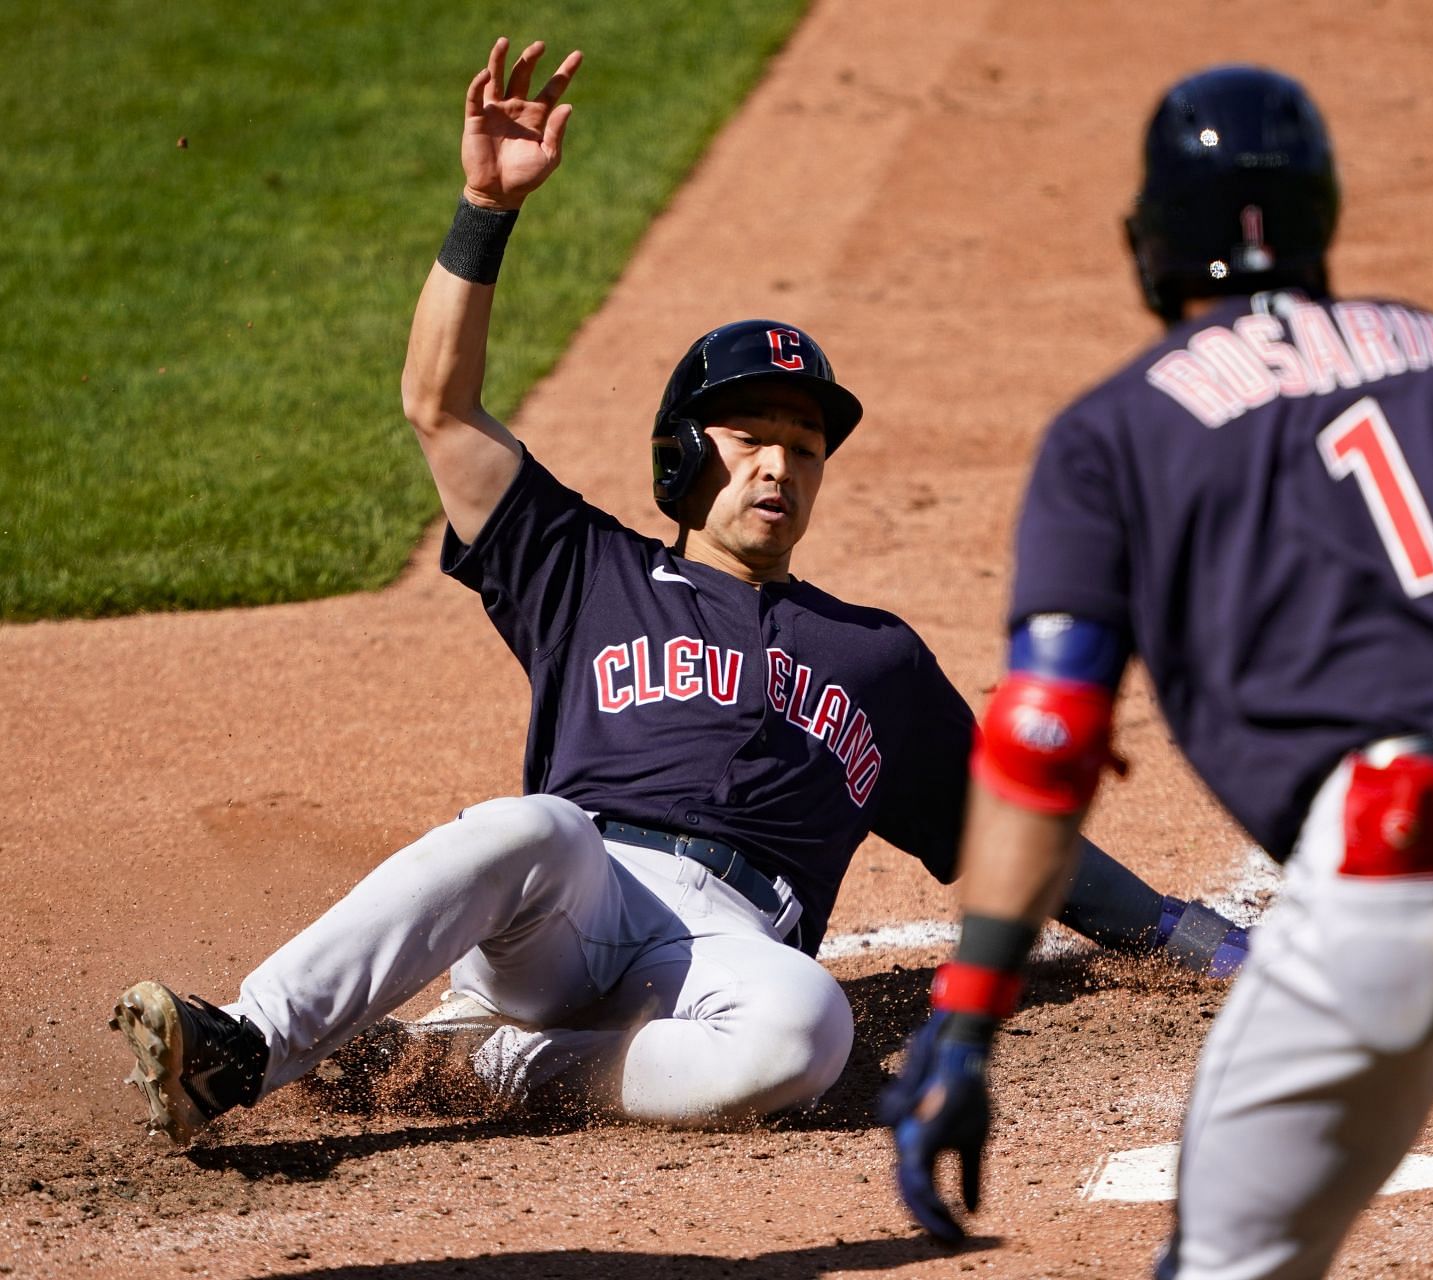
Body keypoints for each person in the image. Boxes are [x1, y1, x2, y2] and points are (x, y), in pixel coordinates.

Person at [109, 39, 1248, 1147]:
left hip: (725, 951)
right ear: (681, 459)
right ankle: (247, 1039)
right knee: (526, 825)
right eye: (753, 435)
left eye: (805, 447)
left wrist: (1189, 937)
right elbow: (440, 408)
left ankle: (470, 1065)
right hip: (574, 896)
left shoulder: (877, 657)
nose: (781, 465)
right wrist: (484, 209)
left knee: (811, 1027)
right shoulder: (585, 567)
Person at [885, 64, 1433, 1278]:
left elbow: (1045, 735)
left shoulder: (1113, 431)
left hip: (1398, 852)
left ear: (1152, 244)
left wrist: (969, 1012)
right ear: (1322, 215)